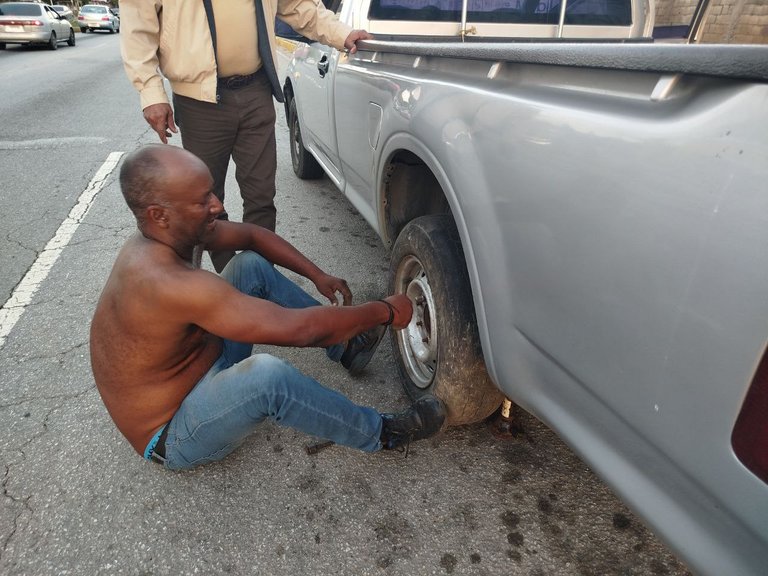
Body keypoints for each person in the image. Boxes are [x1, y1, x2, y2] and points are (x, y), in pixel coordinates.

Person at [89, 145, 446, 470]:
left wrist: (318, 275)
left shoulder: (172, 232)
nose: (216, 205)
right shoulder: (163, 281)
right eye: (202, 201)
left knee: (248, 265)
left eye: (212, 192)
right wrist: (383, 310)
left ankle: (348, 346)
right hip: (176, 431)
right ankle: (384, 434)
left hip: (199, 366)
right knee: (266, 379)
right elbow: (300, 330)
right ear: (159, 214)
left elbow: (253, 237)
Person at [119, 0, 372, 271]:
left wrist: (342, 34)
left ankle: (259, 275)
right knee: (204, 200)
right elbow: (138, 27)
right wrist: (150, 91)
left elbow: (298, 5)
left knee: (261, 194)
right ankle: (229, 275)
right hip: (198, 99)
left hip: (256, 89)